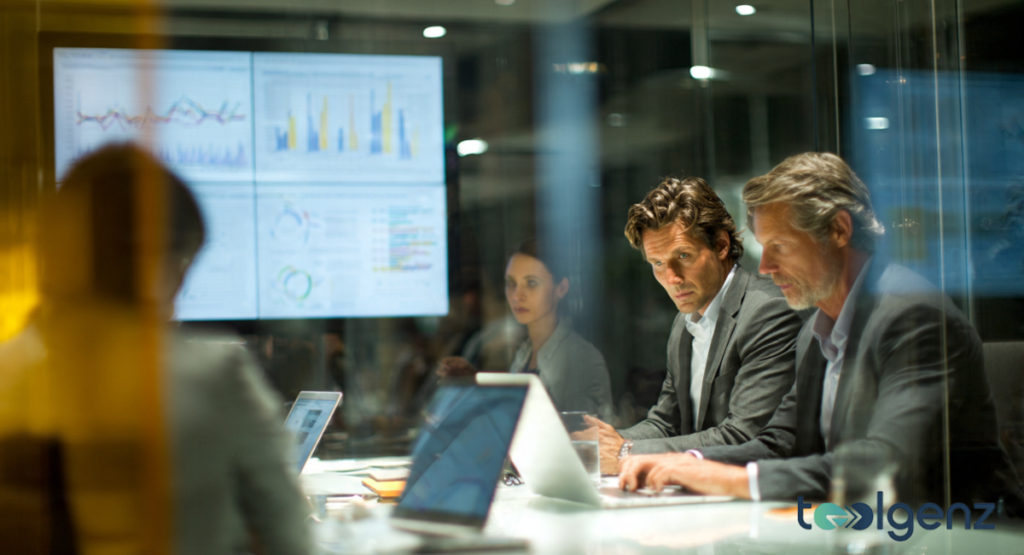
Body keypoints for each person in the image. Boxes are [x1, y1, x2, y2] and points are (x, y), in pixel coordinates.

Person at [619, 153, 1023, 510]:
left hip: (955, 533)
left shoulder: (915, 318)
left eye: (780, 246)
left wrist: (735, 480)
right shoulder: (815, 327)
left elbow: (886, 461)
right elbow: (778, 443)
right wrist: (692, 462)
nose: (765, 268)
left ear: (839, 231)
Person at [0, 144, 313, 554]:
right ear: (156, 265)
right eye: (181, 266)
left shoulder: (11, 373)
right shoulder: (214, 377)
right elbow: (288, 535)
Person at [585, 177, 804, 474]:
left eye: (683, 256)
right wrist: (598, 444)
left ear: (722, 245)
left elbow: (744, 436)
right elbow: (665, 423)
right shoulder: (684, 322)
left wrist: (624, 451)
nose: (671, 278)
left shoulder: (768, 311)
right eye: (658, 264)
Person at [438, 239, 612, 418]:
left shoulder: (580, 358)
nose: (517, 296)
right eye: (511, 283)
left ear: (561, 288)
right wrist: (474, 379)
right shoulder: (524, 353)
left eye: (531, 283)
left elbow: (583, 434)